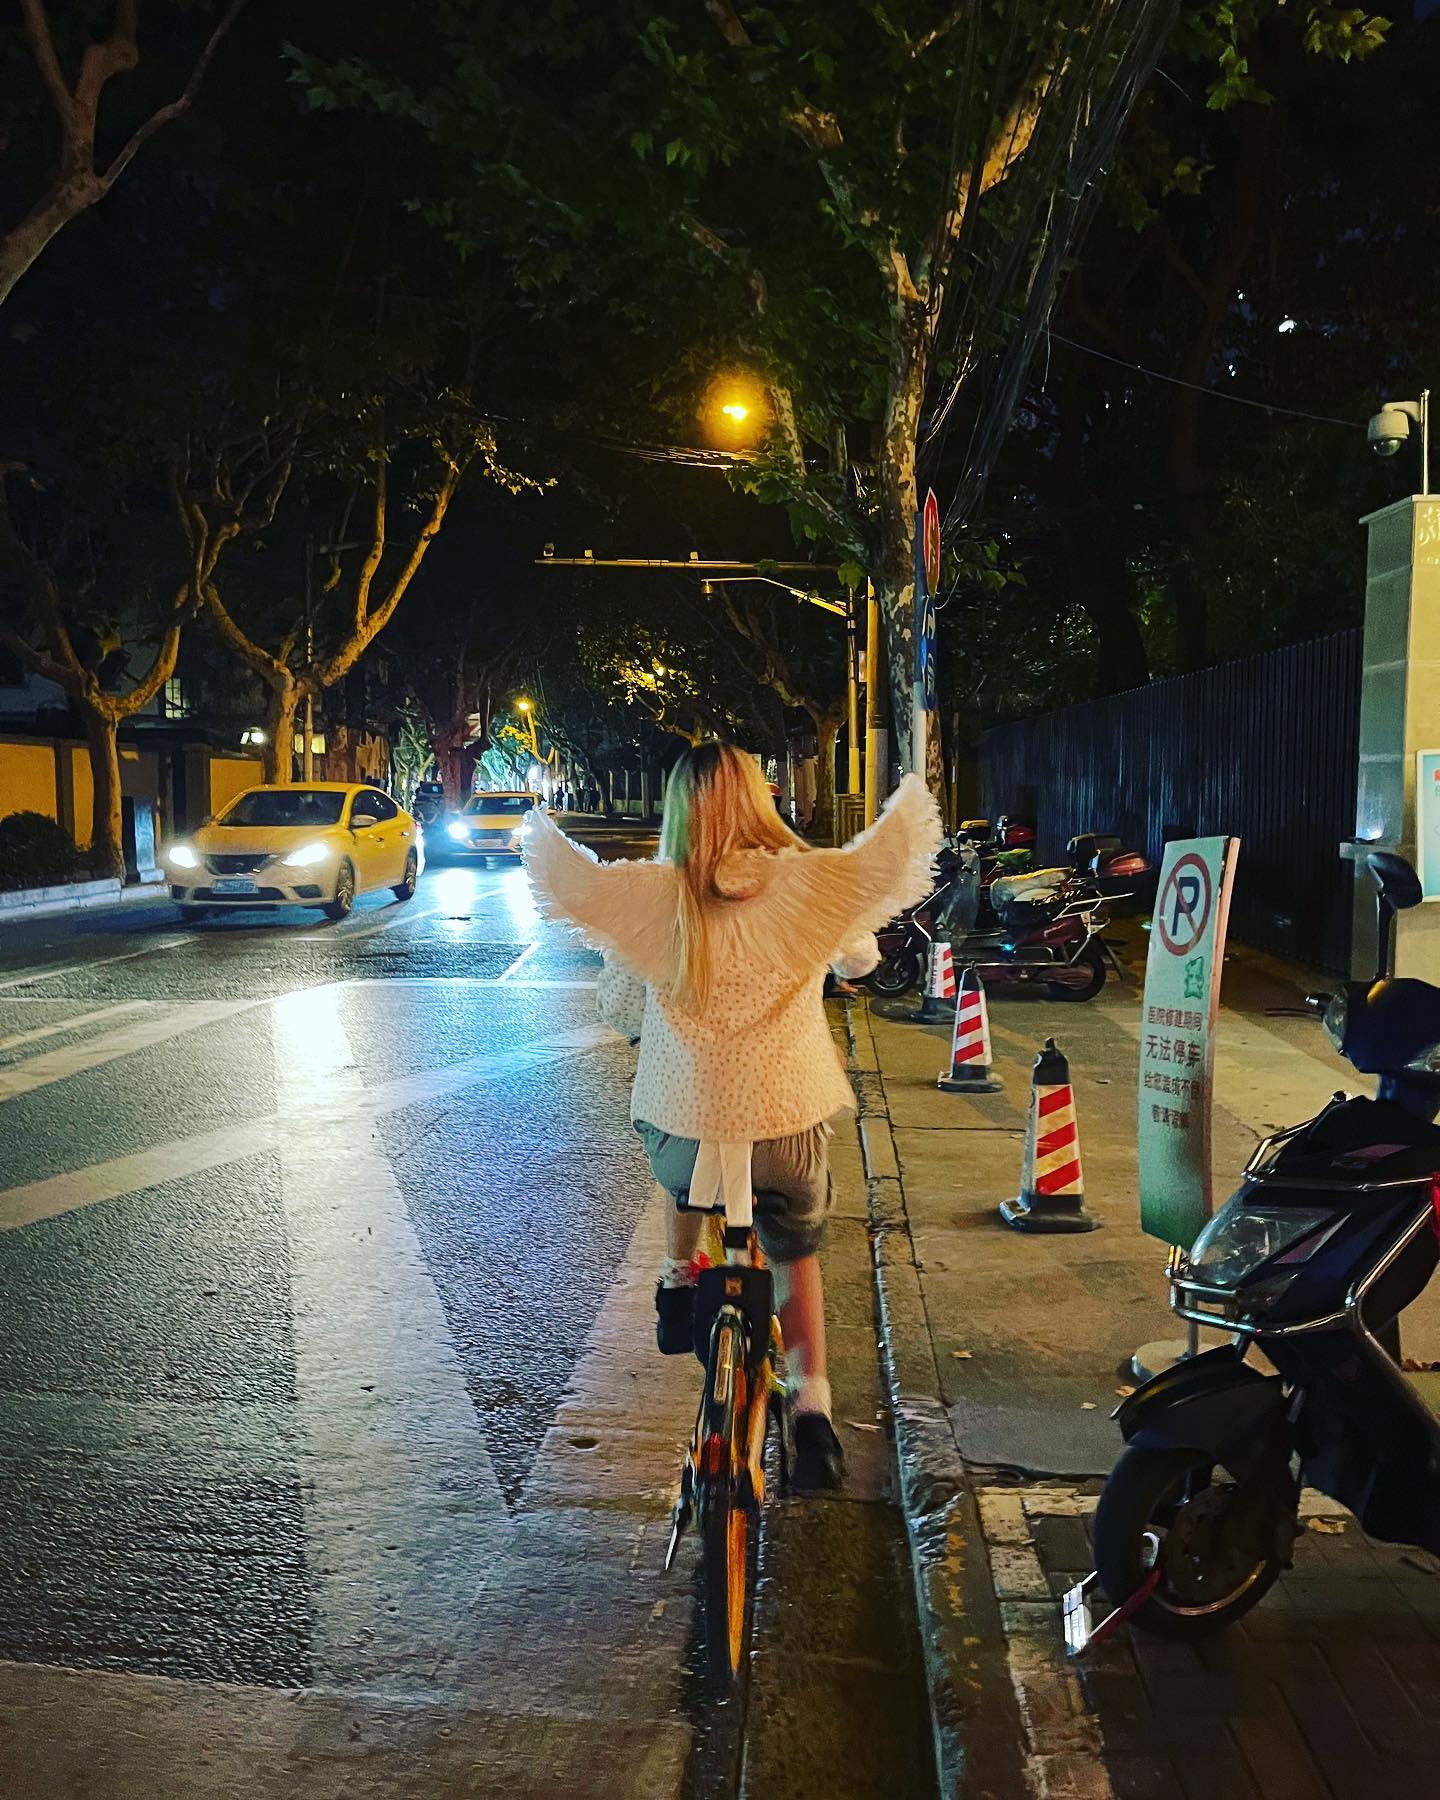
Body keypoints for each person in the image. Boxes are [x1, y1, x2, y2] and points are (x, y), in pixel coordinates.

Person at [522, 742, 941, 1491]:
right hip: (788, 1127)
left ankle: (679, 1280)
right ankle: (811, 1407)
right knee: (796, 1245)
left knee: (678, 1150)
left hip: (684, 1136)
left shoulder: (655, 893)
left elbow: (619, 1001)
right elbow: (860, 959)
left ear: (679, 810)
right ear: (760, 797)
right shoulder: (808, 884)